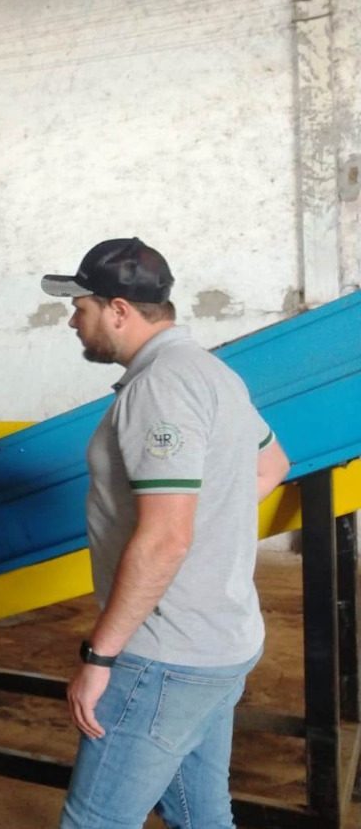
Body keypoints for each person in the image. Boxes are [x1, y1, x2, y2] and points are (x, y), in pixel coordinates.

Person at [40, 237, 290, 828]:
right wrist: (195, 520)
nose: (72, 321)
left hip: (164, 657)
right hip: (221, 643)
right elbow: (271, 465)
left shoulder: (160, 389)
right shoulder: (211, 373)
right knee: (200, 816)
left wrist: (99, 656)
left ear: (119, 310)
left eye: (80, 307)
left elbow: (166, 540)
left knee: (94, 823)